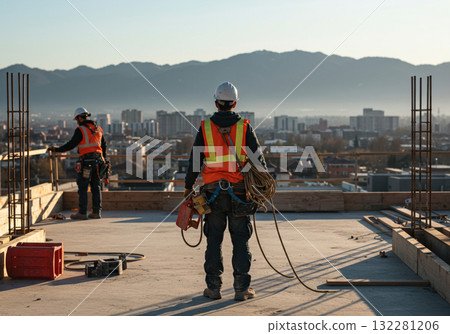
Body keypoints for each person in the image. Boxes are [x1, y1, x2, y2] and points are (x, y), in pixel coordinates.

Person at [185, 82, 267, 301]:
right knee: (241, 240)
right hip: (240, 193)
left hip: (212, 193)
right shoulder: (244, 127)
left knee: (214, 241)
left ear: (216, 103)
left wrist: (187, 186)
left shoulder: (205, 127)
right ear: (235, 103)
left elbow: (195, 160)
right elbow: (257, 161)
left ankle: (213, 288)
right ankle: (241, 289)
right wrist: (259, 185)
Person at [48, 107, 106, 220]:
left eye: (77, 119)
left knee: (83, 187)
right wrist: (105, 159)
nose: (77, 122)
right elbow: (103, 146)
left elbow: (71, 144)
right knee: (96, 187)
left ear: (80, 118)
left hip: (87, 163)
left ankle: (82, 213)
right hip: (98, 161)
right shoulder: (98, 129)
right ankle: (96, 212)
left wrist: (57, 150)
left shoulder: (81, 130)